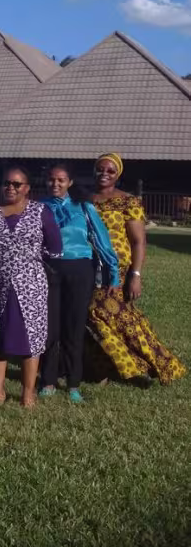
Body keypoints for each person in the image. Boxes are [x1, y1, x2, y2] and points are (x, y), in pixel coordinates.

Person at [87, 153, 186, 386]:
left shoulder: (127, 201)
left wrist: (136, 275)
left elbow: (139, 241)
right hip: (87, 267)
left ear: (118, 174)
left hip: (116, 271)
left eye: (110, 170)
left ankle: (162, 364)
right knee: (91, 320)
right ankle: (105, 368)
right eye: (100, 169)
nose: (104, 173)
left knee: (120, 319)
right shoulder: (86, 200)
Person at [0, 166, 62, 407]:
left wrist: (28, 260)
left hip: (30, 286)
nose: (10, 188)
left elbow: (55, 248)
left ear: (27, 188)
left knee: (30, 339)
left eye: (17, 184)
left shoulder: (41, 211)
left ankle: (27, 393)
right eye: (7, 183)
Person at [39, 164, 122, 404]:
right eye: (51, 180)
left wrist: (113, 274)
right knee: (50, 328)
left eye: (61, 180)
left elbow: (102, 240)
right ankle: (48, 380)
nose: (55, 184)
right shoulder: (39, 207)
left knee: (74, 328)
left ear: (70, 182)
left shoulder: (83, 207)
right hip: (49, 271)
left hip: (80, 269)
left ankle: (73, 383)